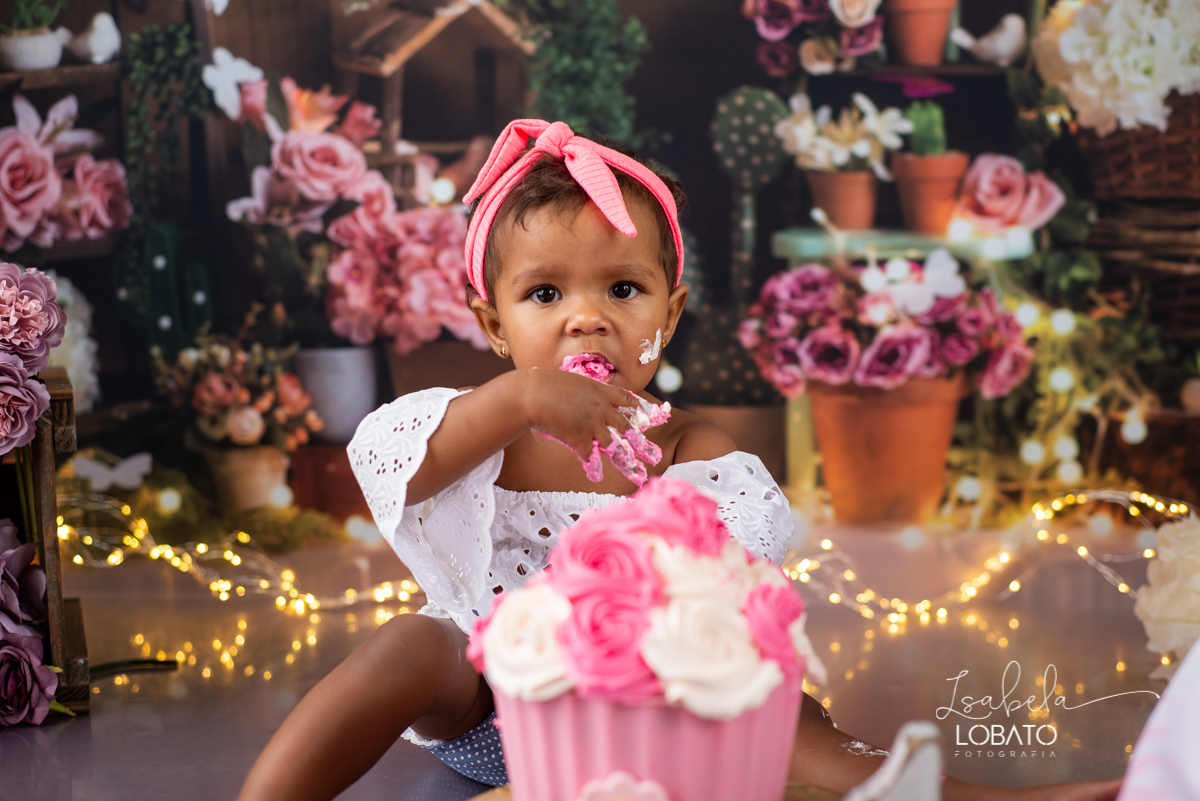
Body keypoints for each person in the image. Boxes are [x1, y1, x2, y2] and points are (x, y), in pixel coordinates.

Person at [236, 120, 1121, 801]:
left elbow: (728, 597)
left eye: (623, 289)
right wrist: (519, 402)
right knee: (409, 645)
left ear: (671, 310)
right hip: (488, 706)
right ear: (494, 325)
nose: (587, 318)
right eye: (545, 294)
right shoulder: (477, 425)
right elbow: (394, 465)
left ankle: (954, 791)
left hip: (642, 716)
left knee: (788, 711)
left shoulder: (691, 449)